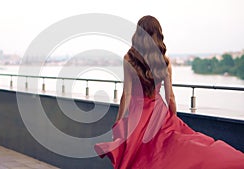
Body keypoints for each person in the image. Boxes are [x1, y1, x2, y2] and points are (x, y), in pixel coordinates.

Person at [94, 15, 244, 169]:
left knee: (140, 159)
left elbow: (126, 95)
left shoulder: (129, 59)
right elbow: (170, 96)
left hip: (137, 118)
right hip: (159, 115)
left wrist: (118, 122)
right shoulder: (164, 62)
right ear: (158, 35)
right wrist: (173, 120)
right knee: (166, 154)